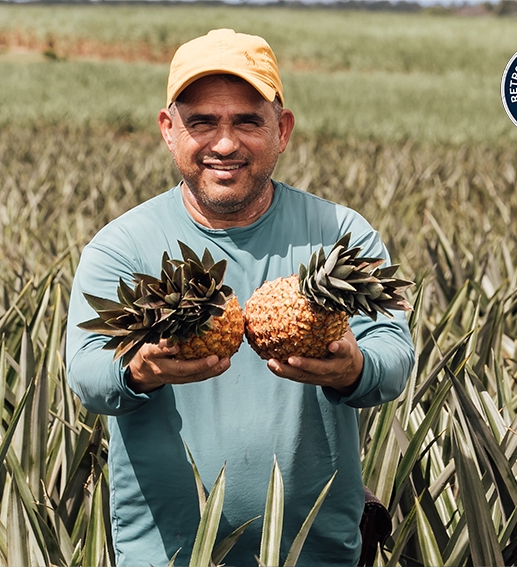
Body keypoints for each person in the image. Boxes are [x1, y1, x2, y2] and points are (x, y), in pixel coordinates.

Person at [66, 28, 414, 566]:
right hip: (169, 555)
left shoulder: (340, 232)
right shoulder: (124, 245)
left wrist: (353, 369)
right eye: (201, 122)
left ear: (283, 129)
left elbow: (394, 357)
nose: (224, 144)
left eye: (247, 121)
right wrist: (140, 370)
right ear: (168, 129)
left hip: (318, 553)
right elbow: (88, 376)